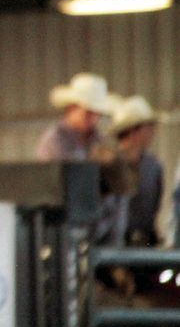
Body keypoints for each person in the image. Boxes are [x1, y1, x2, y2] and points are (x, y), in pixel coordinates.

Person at [35, 72, 130, 245]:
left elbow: (119, 191)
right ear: (72, 108)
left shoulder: (102, 142)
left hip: (99, 230)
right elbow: (59, 187)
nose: (94, 118)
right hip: (63, 232)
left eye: (97, 113)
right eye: (88, 112)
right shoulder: (54, 141)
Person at [110, 95, 163, 248]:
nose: (153, 131)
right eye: (149, 126)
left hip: (145, 241)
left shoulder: (153, 165)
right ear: (133, 130)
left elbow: (154, 206)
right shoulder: (109, 165)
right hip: (114, 243)